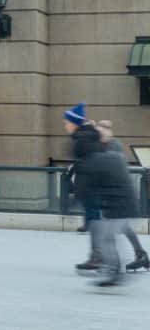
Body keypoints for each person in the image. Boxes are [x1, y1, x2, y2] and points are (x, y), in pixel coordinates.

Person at [78, 134, 141, 287]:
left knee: (106, 238)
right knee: (108, 235)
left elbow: (91, 185)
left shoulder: (98, 160)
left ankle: (115, 271)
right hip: (122, 204)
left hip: (119, 205)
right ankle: (117, 268)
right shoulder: (113, 158)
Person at [96, 120, 149, 272]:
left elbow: (111, 170)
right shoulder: (104, 146)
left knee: (108, 228)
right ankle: (140, 255)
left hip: (117, 194)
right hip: (112, 194)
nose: (101, 134)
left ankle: (113, 263)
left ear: (108, 131)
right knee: (121, 227)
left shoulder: (113, 146)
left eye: (103, 131)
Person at [64, 103, 107, 270]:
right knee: (97, 222)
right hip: (91, 187)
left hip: (91, 188)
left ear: (74, 122)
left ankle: (99, 256)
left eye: (66, 122)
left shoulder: (82, 139)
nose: (65, 125)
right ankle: (100, 256)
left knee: (96, 222)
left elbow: (88, 164)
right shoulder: (86, 136)